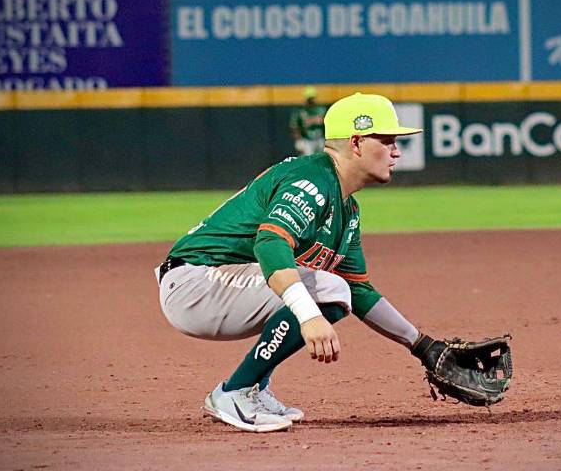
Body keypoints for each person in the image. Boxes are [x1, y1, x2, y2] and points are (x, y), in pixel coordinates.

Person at [155, 93, 508, 433]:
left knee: (336, 288)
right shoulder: (313, 180)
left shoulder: (347, 209)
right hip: (196, 282)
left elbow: (359, 291)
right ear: (356, 144)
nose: (396, 151)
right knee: (325, 288)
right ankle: (234, 392)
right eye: (387, 141)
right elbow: (271, 241)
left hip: (225, 284)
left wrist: (421, 345)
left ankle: (253, 390)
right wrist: (308, 317)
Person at [289, 85, 326, 156]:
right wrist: (298, 140)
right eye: (310, 98)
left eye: (312, 98)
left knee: (322, 158)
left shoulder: (321, 109)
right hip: (307, 139)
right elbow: (294, 126)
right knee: (308, 159)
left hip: (320, 138)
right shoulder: (301, 111)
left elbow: (326, 124)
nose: (311, 100)